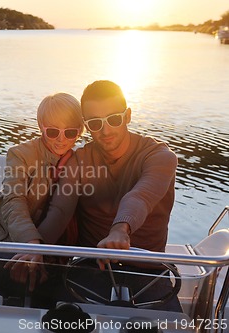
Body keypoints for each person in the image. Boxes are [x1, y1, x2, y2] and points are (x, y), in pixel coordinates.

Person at [37, 80, 181, 311]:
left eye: (113, 119)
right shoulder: (79, 160)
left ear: (128, 116)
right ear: (87, 125)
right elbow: (60, 211)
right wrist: (35, 248)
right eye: (95, 123)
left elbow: (140, 196)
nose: (105, 131)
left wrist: (120, 230)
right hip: (90, 268)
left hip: (148, 271)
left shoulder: (160, 157)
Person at [0, 92, 84, 304]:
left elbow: (63, 210)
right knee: (17, 272)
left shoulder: (79, 159)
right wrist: (31, 243)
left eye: (69, 132)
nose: (61, 139)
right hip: (13, 237)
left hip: (56, 246)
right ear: (41, 126)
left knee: (54, 285)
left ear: (79, 131)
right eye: (52, 131)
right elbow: (13, 200)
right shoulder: (21, 154)